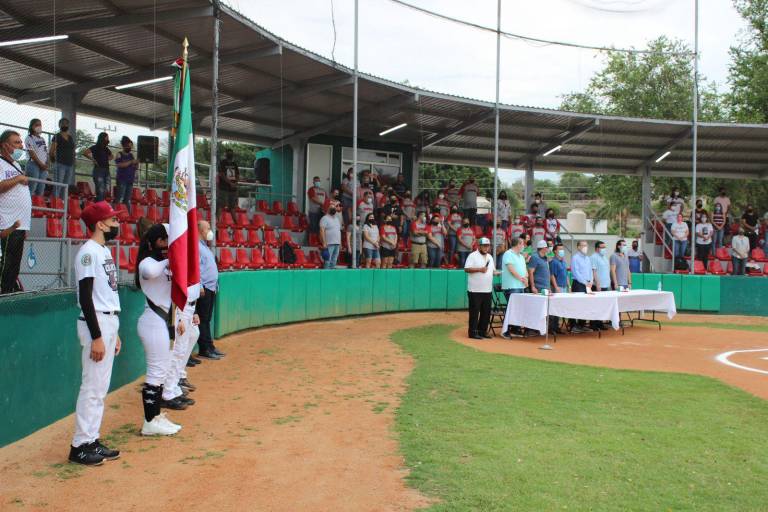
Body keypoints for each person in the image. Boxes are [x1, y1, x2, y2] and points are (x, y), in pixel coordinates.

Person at [69, 201, 122, 465]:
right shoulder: (88, 252)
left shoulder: (103, 250)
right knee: (91, 387)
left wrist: (114, 332)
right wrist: (98, 336)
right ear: (100, 224)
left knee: (100, 388)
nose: (117, 224)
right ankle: (79, 446)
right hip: (96, 324)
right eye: (113, 220)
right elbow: (86, 298)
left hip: (108, 320)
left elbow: (105, 293)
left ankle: (91, 439)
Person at [134, 224, 186, 436]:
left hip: (164, 320)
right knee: (156, 373)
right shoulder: (148, 261)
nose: (167, 244)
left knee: (162, 371)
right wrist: (169, 259)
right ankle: (150, 421)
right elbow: (148, 271)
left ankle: (155, 417)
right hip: (153, 321)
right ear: (154, 241)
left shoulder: (162, 263)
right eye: (164, 239)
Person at [0, 130, 31, 295]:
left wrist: (25, 225)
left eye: (21, 142)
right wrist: (18, 179)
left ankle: (9, 293)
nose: (21, 146)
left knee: (14, 265)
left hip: (19, 224)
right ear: (5, 145)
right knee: (6, 262)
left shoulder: (17, 165)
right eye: (16, 142)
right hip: (7, 223)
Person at [196, 221, 222, 361]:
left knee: (207, 319)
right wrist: (200, 285)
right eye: (208, 228)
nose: (210, 231)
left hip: (210, 287)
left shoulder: (204, 246)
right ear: (200, 230)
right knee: (203, 319)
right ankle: (204, 349)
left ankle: (209, 346)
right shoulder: (196, 246)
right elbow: (196, 269)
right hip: (204, 288)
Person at [464, 237, 495, 340]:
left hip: (487, 289)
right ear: (479, 246)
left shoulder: (490, 257)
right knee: (474, 312)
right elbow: (466, 269)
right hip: (475, 290)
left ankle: (482, 331)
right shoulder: (472, 256)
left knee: (486, 312)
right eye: (484, 246)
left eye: (488, 246)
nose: (486, 248)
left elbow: (492, 270)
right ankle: (473, 332)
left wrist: (496, 273)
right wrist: (479, 269)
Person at [528, 240, 560, 333]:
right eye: (547, 248)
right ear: (543, 248)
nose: (548, 249)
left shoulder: (545, 258)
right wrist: (533, 286)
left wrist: (549, 287)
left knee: (545, 310)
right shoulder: (535, 257)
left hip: (546, 288)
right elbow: (531, 272)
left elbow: (547, 272)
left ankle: (542, 328)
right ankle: (533, 329)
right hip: (538, 287)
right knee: (536, 310)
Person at [500, 236, 528, 339]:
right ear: (518, 244)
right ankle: (505, 331)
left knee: (518, 309)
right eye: (522, 244)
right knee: (511, 309)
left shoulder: (521, 256)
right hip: (511, 286)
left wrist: (526, 279)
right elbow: (511, 269)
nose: (524, 246)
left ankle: (515, 329)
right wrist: (522, 279)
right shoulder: (508, 254)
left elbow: (525, 270)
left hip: (520, 286)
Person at [568, 241, 593, 333]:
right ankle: (573, 326)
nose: (585, 247)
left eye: (586, 245)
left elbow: (590, 271)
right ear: (578, 247)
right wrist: (585, 282)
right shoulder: (575, 258)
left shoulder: (588, 258)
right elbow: (575, 272)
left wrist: (591, 281)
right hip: (578, 284)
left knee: (585, 305)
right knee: (576, 305)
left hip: (588, 285)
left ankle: (582, 325)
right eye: (583, 245)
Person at [49, 118, 75, 199]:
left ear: (68, 125)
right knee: (58, 185)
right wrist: (54, 161)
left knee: (65, 187)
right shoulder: (57, 136)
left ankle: (63, 203)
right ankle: (55, 203)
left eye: (66, 123)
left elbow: (73, 150)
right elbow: (51, 151)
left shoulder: (70, 138)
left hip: (70, 165)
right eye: (63, 123)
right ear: (59, 125)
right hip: (60, 164)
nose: (64, 125)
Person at [83, 132, 113, 202]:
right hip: (98, 170)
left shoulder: (106, 148)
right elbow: (85, 153)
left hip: (106, 170)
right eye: (106, 138)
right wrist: (93, 159)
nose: (107, 139)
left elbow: (112, 156)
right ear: (102, 138)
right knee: (100, 190)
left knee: (106, 189)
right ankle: (99, 204)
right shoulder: (95, 147)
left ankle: (99, 203)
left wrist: (106, 158)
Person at [24, 118, 49, 197]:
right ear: (32, 126)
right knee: (32, 187)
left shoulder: (42, 139)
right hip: (33, 164)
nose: (39, 126)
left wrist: (46, 163)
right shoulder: (29, 138)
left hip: (43, 166)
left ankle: (37, 204)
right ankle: (28, 204)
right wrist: (41, 164)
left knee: (41, 189)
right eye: (36, 125)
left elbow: (45, 152)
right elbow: (32, 153)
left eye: (40, 125)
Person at [590, 241, 610, 330]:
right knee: (595, 305)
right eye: (602, 247)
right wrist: (597, 283)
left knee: (602, 305)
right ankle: (594, 324)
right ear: (597, 248)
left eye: (604, 247)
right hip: (598, 285)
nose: (604, 249)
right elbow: (593, 271)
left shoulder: (605, 257)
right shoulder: (593, 257)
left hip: (605, 284)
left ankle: (600, 323)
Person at [114, 136, 138, 206]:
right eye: (128, 146)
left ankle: (126, 212)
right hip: (122, 180)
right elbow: (120, 165)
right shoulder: (119, 154)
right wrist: (131, 162)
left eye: (131, 146)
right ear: (124, 146)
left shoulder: (131, 155)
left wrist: (136, 163)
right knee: (120, 198)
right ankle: (117, 211)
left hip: (130, 180)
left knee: (127, 200)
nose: (130, 148)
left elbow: (135, 167)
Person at [319, 202, 342, 269]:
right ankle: (326, 274)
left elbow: (338, 231)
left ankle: (331, 274)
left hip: (337, 243)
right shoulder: (324, 218)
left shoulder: (337, 219)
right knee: (327, 261)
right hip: (329, 243)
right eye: (331, 207)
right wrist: (324, 243)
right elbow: (321, 231)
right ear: (328, 208)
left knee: (334, 260)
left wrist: (340, 243)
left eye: (334, 207)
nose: (333, 208)